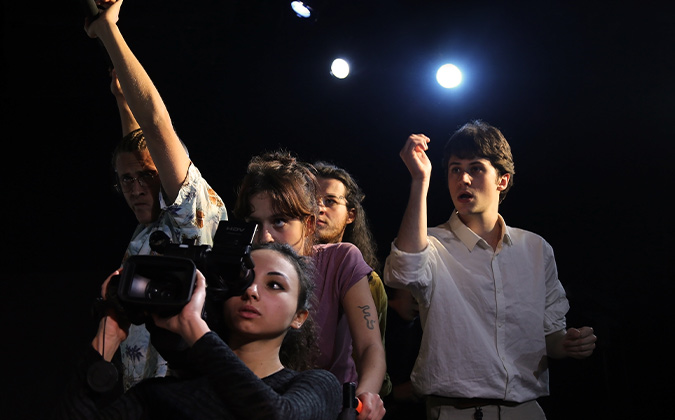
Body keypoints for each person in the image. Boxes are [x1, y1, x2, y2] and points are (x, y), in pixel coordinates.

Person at [383, 121, 597, 419]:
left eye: (476, 168)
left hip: (526, 410)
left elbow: (550, 338)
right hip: (455, 410)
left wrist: (569, 343)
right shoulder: (431, 243)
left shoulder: (535, 249)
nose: (464, 179)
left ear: (503, 180)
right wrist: (420, 180)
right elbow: (403, 272)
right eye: (455, 169)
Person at [87, 0, 226, 390]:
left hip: (185, 394)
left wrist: (108, 30)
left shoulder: (189, 210)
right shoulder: (145, 232)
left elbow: (154, 121)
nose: (133, 189)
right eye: (124, 181)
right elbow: (137, 145)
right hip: (141, 393)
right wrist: (120, 100)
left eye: (142, 178)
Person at [54, 243, 343, 420]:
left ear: (299, 316)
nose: (252, 291)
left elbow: (274, 415)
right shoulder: (162, 395)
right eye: (241, 280)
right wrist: (110, 332)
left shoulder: (319, 386)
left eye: (275, 285)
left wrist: (193, 327)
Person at [234, 151, 387, 420]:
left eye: (279, 221)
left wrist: (364, 398)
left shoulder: (341, 259)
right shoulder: (241, 270)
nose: (265, 236)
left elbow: (369, 346)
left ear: (308, 223)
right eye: (255, 224)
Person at [313, 161, 392, 397]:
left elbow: (370, 350)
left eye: (330, 201)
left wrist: (364, 398)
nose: (319, 208)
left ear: (351, 215)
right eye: (311, 200)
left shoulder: (368, 281)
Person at [382, 286, 425, 419]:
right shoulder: (381, 324)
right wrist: (393, 393)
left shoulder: (420, 328)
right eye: (413, 295)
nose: (417, 304)